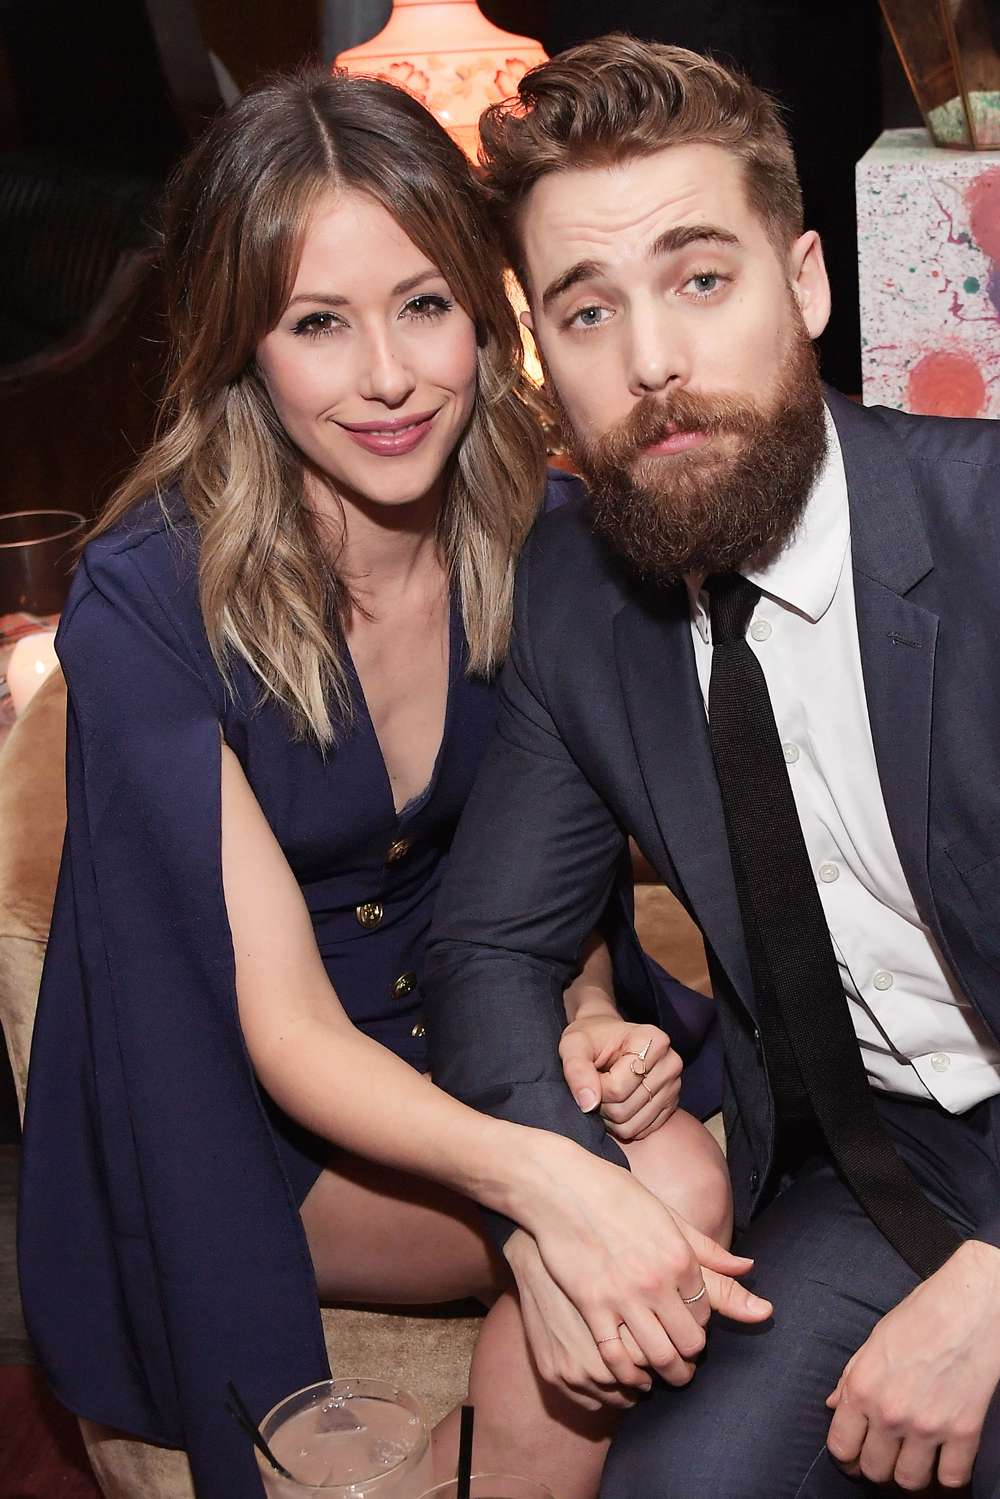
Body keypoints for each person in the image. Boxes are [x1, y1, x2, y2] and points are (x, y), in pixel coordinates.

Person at [15, 68, 755, 1499]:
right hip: (252, 1107)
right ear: (242, 349)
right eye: (316, 325)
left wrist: (593, 1009)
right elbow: (281, 1028)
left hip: (489, 1021)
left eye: (423, 305)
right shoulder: (150, 605)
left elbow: (558, 869)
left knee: (688, 1200)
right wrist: (543, 1172)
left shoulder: (551, 536)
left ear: (486, 306)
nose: (389, 377)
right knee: (645, 1214)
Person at [423, 34, 1000, 1499]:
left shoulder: (987, 534)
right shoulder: (576, 596)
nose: (655, 364)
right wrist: (562, 1203)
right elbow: (489, 943)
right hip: (863, 1178)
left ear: (805, 282)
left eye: (701, 279)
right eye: (590, 310)